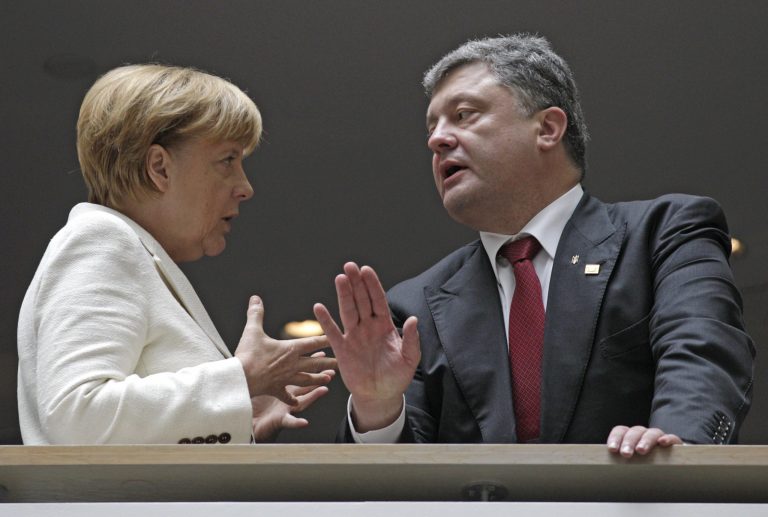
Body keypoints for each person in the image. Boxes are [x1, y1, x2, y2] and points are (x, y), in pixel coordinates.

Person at [313, 34, 755, 456]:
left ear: (547, 128)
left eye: (464, 114)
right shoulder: (413, 307)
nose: (437, 139)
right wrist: (377, 408)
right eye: (432, 127)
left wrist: (677, 449)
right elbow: (402, 483)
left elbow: (702, 352)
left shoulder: (663, 234)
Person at [17, 64, 336, 445]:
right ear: (159, 168)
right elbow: (77, 415)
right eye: (227, 160)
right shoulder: (102, 241)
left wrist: (239, 422)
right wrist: (241, 378)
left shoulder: (128, 250)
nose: (245, 187)